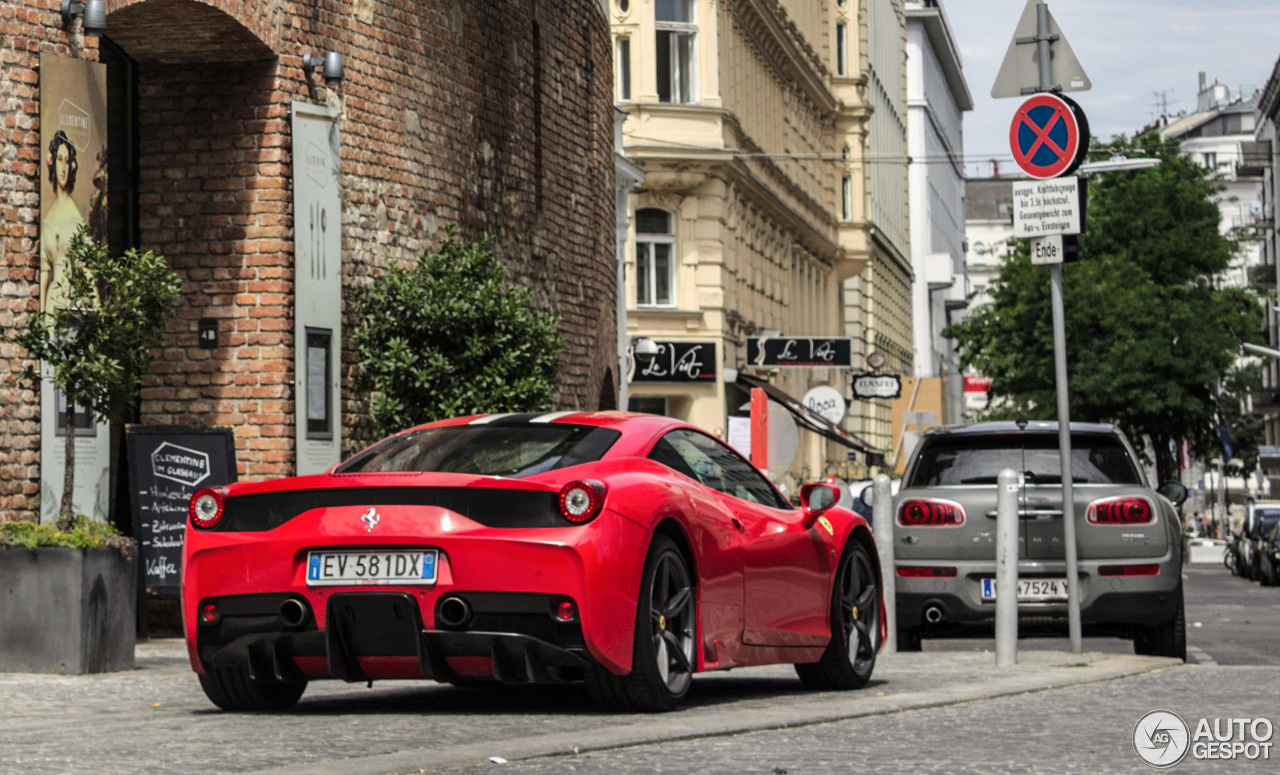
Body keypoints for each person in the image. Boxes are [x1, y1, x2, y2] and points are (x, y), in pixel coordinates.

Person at [41, 129, 84, 313]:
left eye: (67, 161)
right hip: (52, 303)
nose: (63, 168)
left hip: (71, 302)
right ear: (53, 162)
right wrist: (41, 311)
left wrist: (98, 311)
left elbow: (84, 269)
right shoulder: (48, 217)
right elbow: (45, 270)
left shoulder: (75, 217)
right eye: (59, 160)